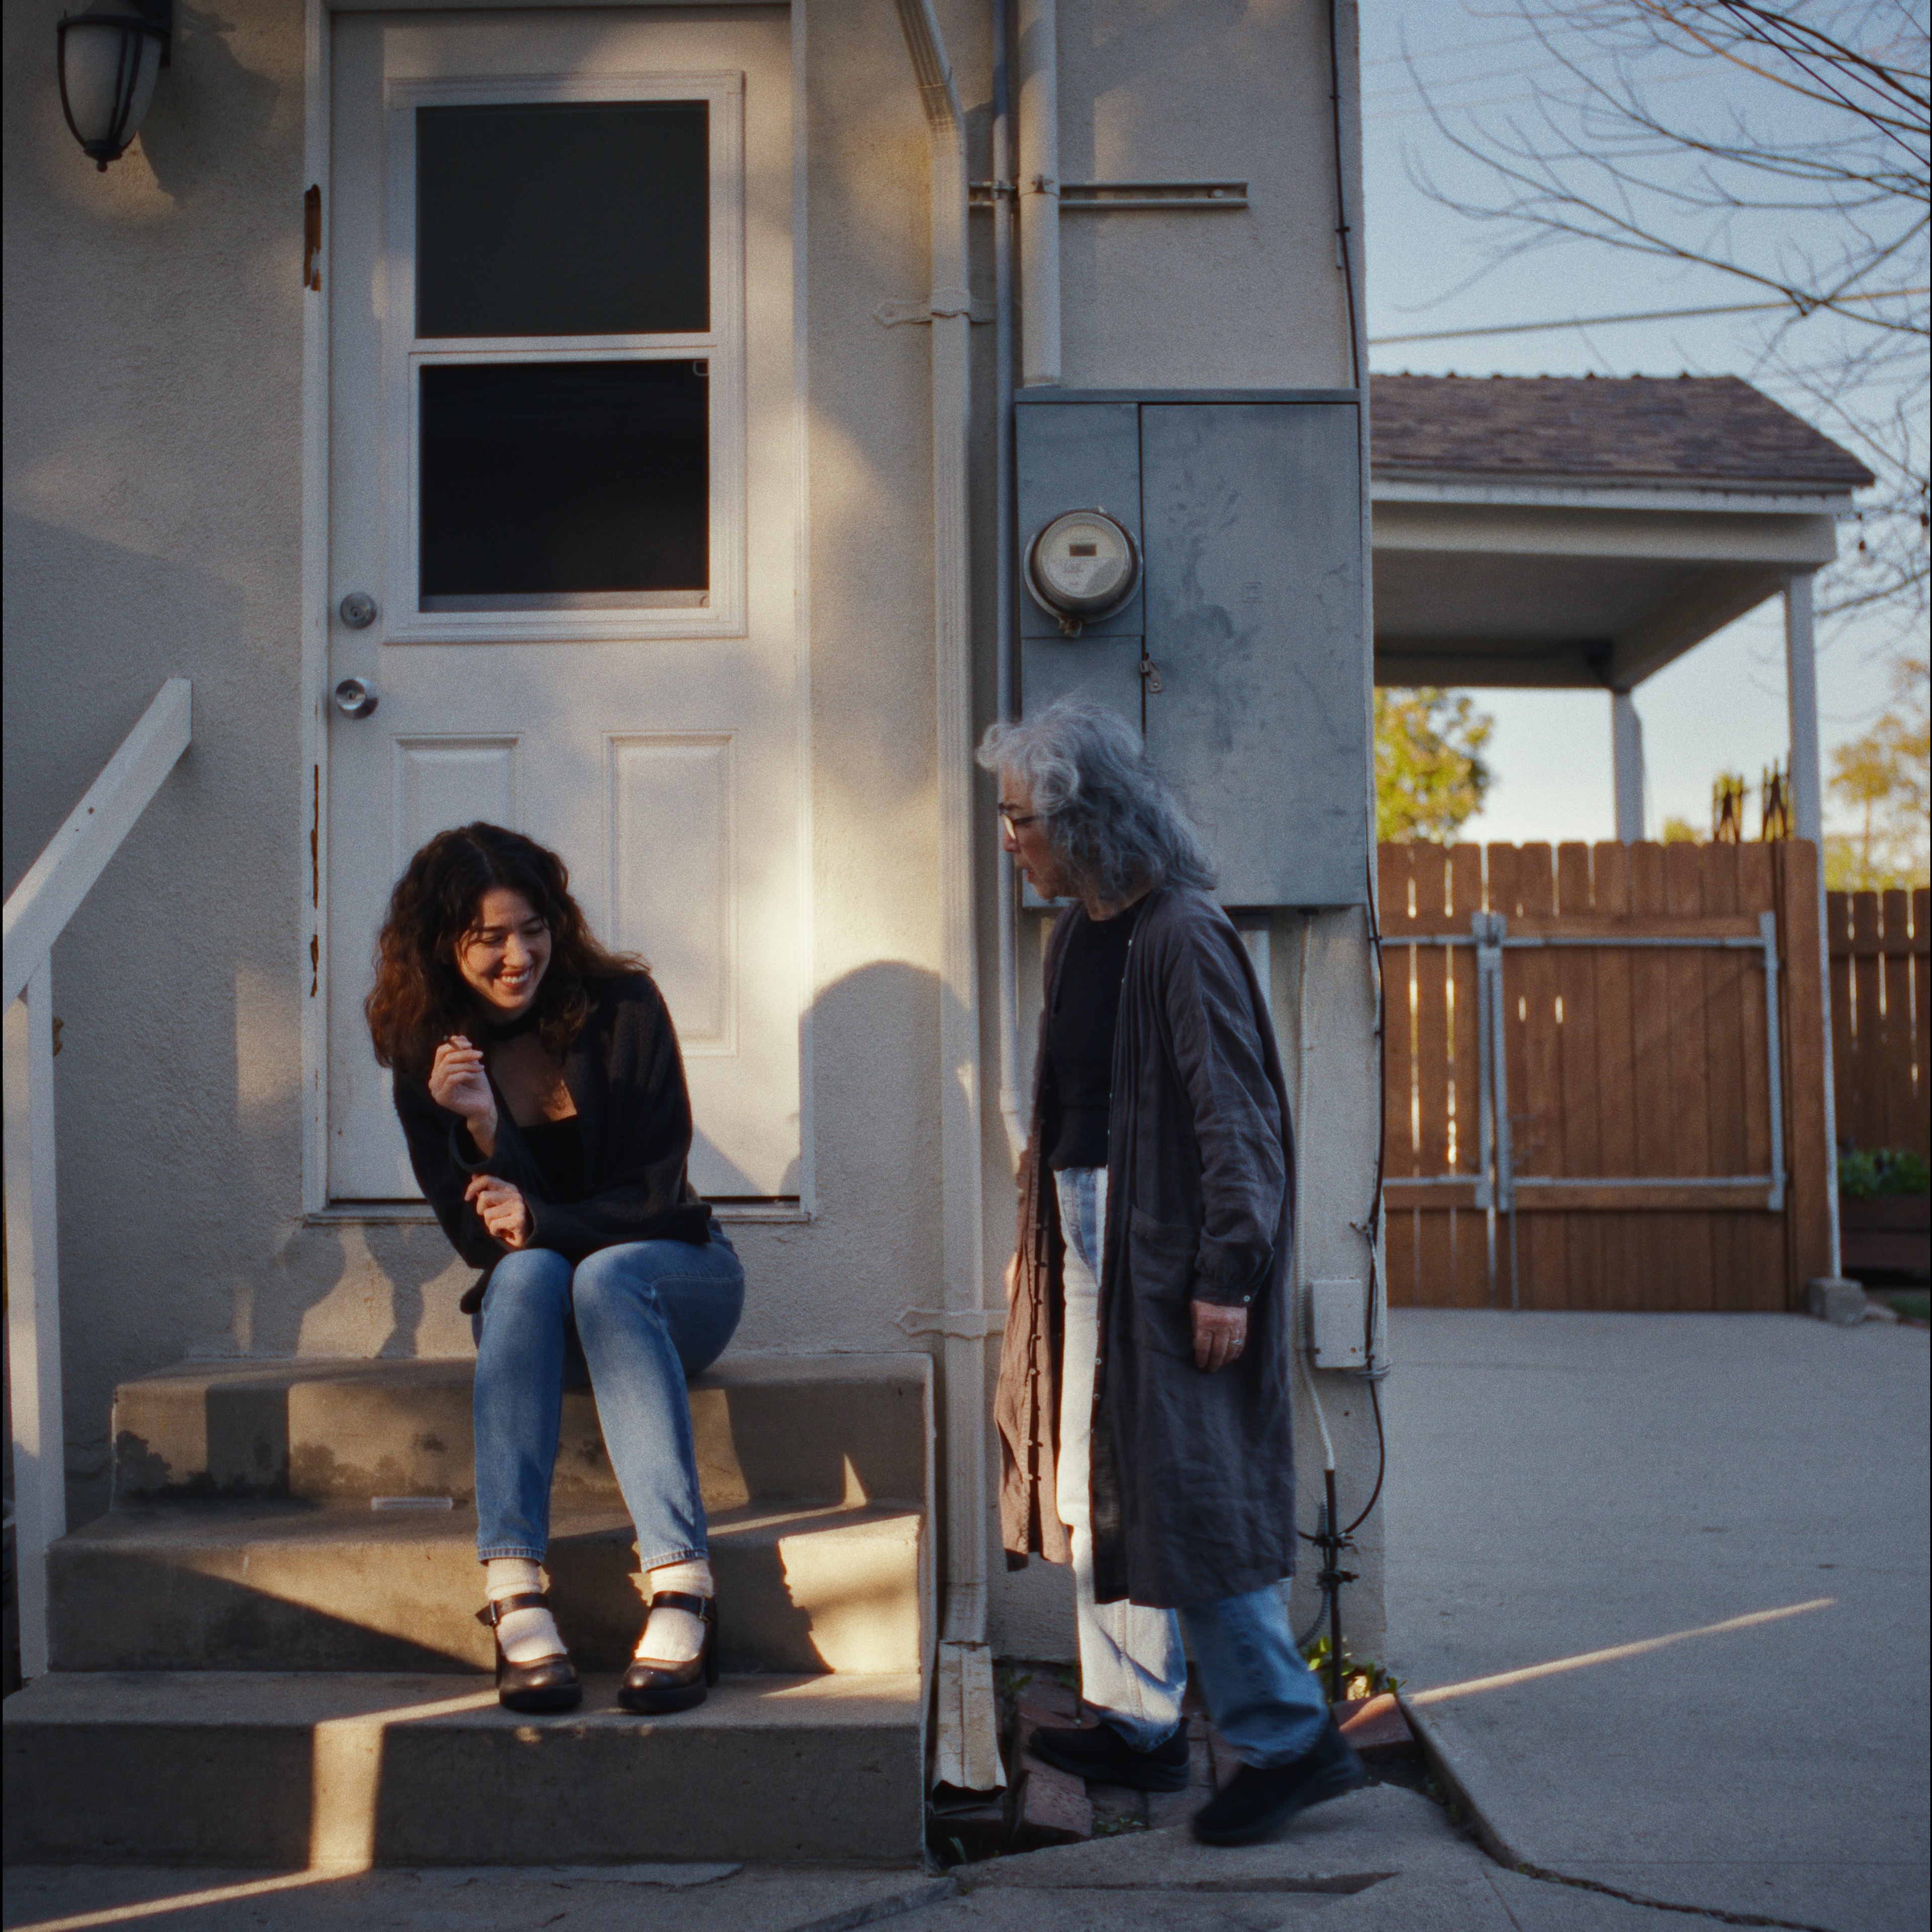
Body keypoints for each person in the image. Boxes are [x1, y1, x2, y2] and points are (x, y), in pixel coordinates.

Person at [980, 699, 1364, 1846]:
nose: (1011, 841)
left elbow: (1237, 1122)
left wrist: (1226, 1277)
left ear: (1083, 819)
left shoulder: (1182, 932)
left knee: (1184, 1491)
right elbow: (1072, 1116)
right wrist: (1038, 1250)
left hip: (1170, 1255)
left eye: (1020, 821)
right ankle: (1141, 1724)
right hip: (1088, 1233)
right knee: (1097, 1488)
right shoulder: (1082, 935)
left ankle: (1294, 1741)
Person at [366, 822, 743, 1715]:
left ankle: (682, 1584)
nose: (516, 955)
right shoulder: (433, 1056)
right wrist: (484, 1134)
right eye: (488, 937)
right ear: (441, 942)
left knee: (606, 1276)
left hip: (671, 1283)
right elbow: (485, 1246)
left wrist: (539, 1211)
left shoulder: (622, 1006)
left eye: (530, 928)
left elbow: (654, 1192)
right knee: (529, 1278)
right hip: (548, 1324)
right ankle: (513, 1588)